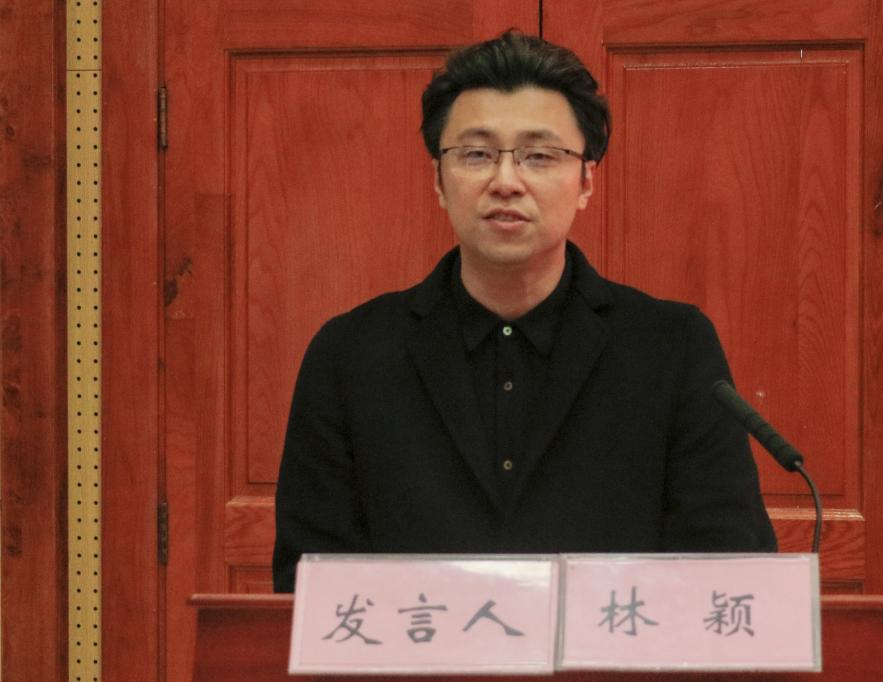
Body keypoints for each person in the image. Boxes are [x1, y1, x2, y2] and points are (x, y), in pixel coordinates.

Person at [272, 31, 776, 593]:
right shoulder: (351, 356)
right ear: (438, 180)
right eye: (477, 154)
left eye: (539, 156)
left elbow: (727, 565)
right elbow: (310, 583)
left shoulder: (671, 347)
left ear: (585, 180)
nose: (506, 182)